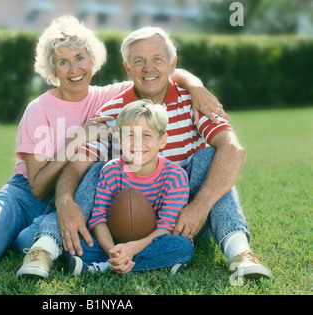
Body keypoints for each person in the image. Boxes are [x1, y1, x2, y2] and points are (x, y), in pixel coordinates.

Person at [0, 17, 224, 266]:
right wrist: (76, 139)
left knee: (26, 243)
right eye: (63, 62)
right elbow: (38, 185)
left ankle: (21, 235)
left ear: (92, 60)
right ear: (53, 69)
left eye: (80, 58)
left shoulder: (109, 96)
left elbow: (156, 72)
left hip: (76, 193)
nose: (73, 69)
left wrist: (196, 85)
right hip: (27, 195)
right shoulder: (38, 109)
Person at [21, 26, 272, 280]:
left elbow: (233, 149)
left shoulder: (194, 100)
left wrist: (200, 205)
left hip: (185, 221)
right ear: (127, 69)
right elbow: (76, 167)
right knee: (97, 169)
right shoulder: (112, 111)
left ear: (172, 64)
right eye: (138, 61)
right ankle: (44, 249)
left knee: (210, 158)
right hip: (124, 222)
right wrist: (65, 203)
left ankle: (240, 253)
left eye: (157, 59)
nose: (148, 68)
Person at [68, 99, 193, 275]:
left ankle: (104, 266)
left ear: (162, 140)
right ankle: (146, 264)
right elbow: (98, 219)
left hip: (154, 241)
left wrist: (132, 248)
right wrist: (114, 251)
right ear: (120, 139)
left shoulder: (175, 176)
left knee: (182, 246)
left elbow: (165, 227)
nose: (137, 142)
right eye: (130, 135)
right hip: (114, 240)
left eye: (147, 135)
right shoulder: (111, 170)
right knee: (76, 245)